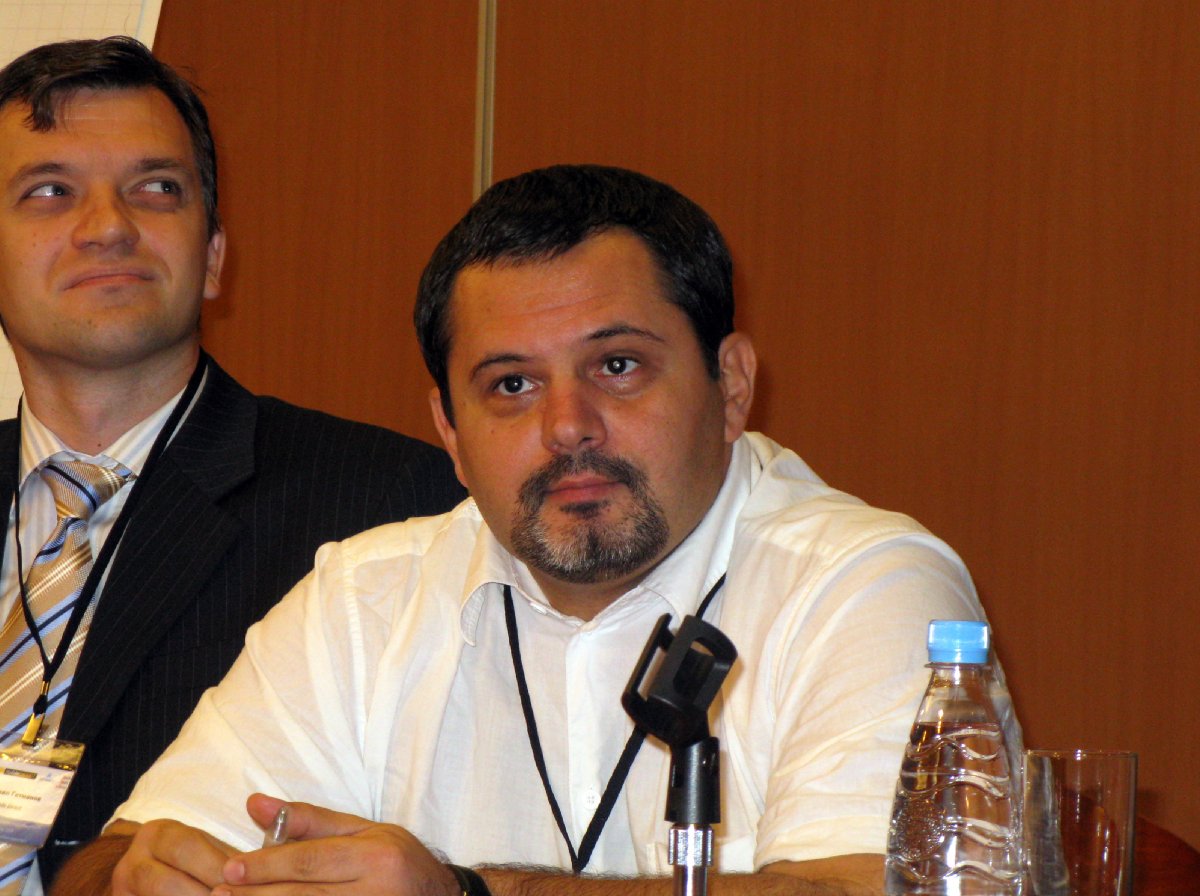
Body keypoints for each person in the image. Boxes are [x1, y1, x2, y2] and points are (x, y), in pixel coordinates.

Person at [54, 165, 1010, 896]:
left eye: (618, 366)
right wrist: (146, 877)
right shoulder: (364, 598)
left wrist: (469, 895)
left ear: (731, 386)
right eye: (510, 384)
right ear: (449, 432)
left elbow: (872, 889)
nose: (567, 427)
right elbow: (104, 863)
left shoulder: (866, 584)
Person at [0, 36, 464, 894]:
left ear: (213, 255)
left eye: (156, 189)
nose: (108, 226)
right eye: (51, 191)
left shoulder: (387, 507)